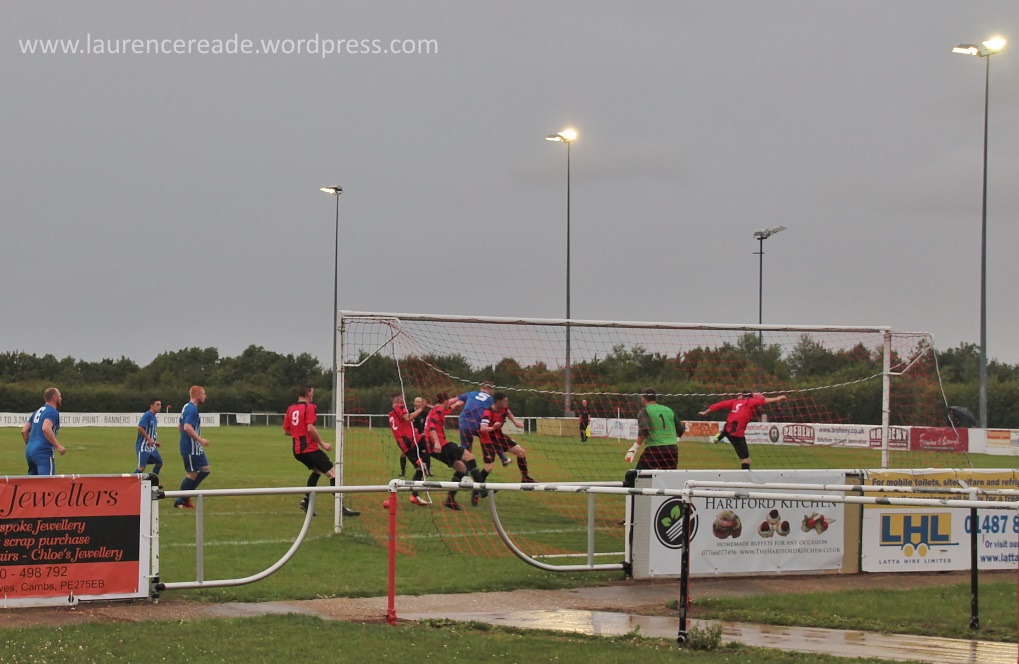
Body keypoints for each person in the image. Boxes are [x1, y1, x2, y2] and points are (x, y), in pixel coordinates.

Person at [425, 393, 485, 511]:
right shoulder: (438, 410)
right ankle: (482, 489)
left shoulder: (436, 409)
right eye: (449, 401)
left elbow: (446, 410)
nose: (450, 403)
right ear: (445, 401)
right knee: (469, 456)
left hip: (431, 449)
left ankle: (450, 499)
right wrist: (437, 442)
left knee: (461, 468)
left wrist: (456, 404)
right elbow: (431, 426)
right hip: (440, 445)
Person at [699, 392, 788, 469]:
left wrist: (706, 412)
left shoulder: (735, 401)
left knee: (728, 428)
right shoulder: (750, 402)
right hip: (737, 433)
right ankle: (745, 478)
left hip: (729, 427)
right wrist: (778, 398)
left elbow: (719, 405)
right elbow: (766, 400)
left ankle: (720, 435)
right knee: (746, 460)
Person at [475, 392, 534, 505]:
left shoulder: (504, 408)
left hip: (500, 437)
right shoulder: (488, 412)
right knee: (489, 467)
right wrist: (493, 427)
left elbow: (508, 412)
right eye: (504, 401)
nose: (506, 402)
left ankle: (525, 478)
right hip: (488, 440)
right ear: (498, 402)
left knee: (520, 452)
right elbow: (482, 428)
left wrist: (515, 422)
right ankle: (477, 490)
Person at [285, 385, 334, 515]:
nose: (313, 395)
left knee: (317, 471)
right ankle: (340, 508)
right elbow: (310, 428)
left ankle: (306, 501)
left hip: (297, 451)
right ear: (308, 393)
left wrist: (299, 433)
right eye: (312, 392)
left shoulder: (291, 408)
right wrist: (323, 444)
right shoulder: (309, 407)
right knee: (333, 474)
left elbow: (287, 430)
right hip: (309, 449)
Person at [625, 387, 685, 470]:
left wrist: (634, 448)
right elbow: (680, 430)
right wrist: (672, 441)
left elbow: (644, 429)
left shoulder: (645, 411)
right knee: (667, 476)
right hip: (672, 449)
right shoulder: (668, 410)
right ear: (655, 398)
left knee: (639, 475)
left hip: (655, 449)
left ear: (643, 398)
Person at [452, 383, 511, 466]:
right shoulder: (491, 399)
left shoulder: (471, 393)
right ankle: (503, 458)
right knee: (492, 439)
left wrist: (445, 406)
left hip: (465, 422)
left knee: (465, 447)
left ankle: (466, 471)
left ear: (481, 388)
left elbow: (455, 400)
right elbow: (504, 409)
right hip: (479, 424)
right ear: (490, 390)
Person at [387, 392, 428, 506]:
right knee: (430, 446)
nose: (404, 399)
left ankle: (415, 495)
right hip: (409, 440)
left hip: (404, 442)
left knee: (421, 467)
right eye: (402, 397)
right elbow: (408, 417)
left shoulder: (391, 414)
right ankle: (415, 494)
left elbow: (405, 421)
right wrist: (421, 409)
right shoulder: (400, 407)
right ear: (398, 399)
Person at [174, 386, 211, 509]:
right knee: (192, 474)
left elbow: (180, 426)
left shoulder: (186, 406)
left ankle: (186, 496)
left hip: (194, 446)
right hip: (191, 447)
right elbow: (186, 427)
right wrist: (200, 440)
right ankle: (180, 500)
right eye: (203, 394)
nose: (205, 396)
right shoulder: (192, 410)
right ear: (197, 395)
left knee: (205, 470)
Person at [21, 387, 66, 475]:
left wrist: (31, 445)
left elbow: (24, 430)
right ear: (55, 398)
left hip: (30, 452)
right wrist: (58, 446)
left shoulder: (37, 412)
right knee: (47, 482)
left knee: (33, 482)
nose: (61, 398)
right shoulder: (52, 412)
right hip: (43, 452)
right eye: (60, 396)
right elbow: (45, 428)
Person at [133, 398, 163, 480]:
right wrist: (149, 439)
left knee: (159, 463)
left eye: (160, 405)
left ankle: (152, 481)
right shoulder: (147, 415)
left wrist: (154, 441)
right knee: (142, 467)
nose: (160, 406)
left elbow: (151, 431)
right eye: (157, 405)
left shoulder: (154, 417)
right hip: (143, 446)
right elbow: (139, 427)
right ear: (152, 406)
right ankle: (129, 482)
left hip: (151, 446)